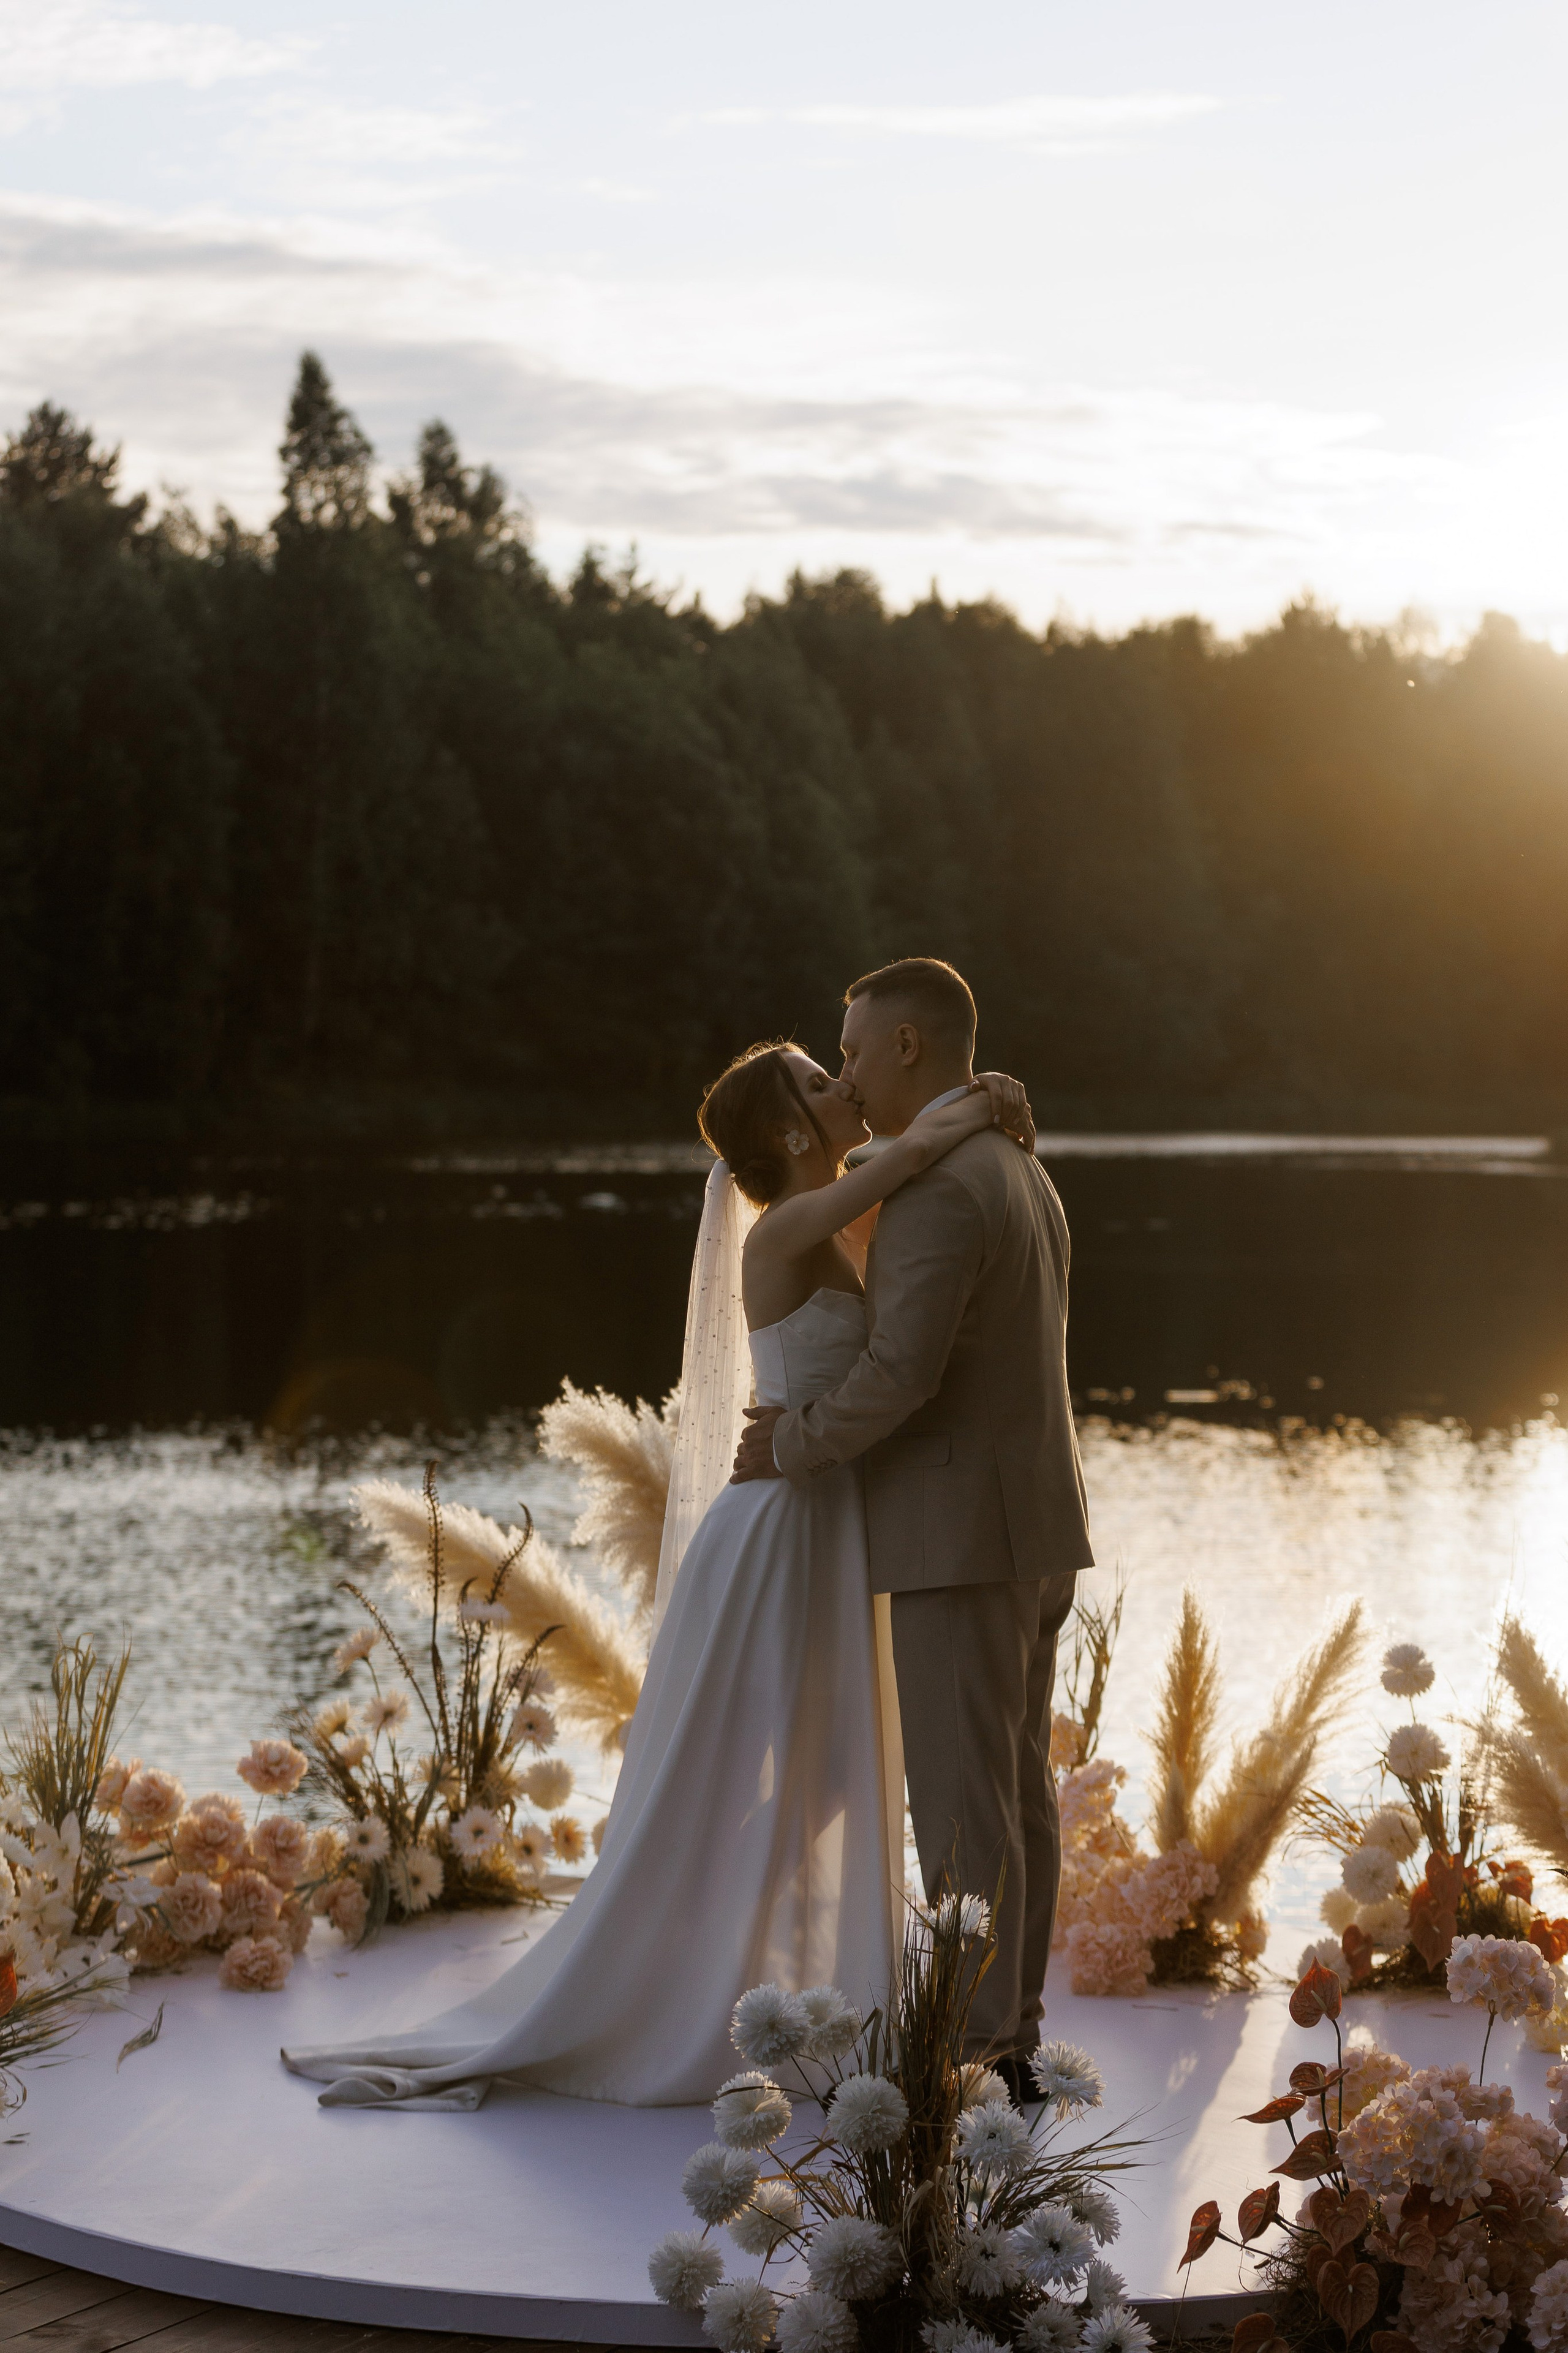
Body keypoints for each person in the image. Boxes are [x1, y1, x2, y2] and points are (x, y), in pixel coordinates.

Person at [281, 1038, 1031, 2110]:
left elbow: (903, 1218)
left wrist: (969, 1108)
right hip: (779, 1532)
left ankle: (740, 1949)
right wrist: (980, 1097)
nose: (847, 1089)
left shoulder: (837, 1213)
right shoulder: (783, 1229)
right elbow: (908, 1160)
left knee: (828, 1764)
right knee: (753, 1763)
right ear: (787, 1132)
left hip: (828, 1525)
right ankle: (673, 1954)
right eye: (825, 1085)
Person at [732, 957, 1094, 2104]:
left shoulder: (944, 1185)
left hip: (958, 1534)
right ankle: (1014, 2033)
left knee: (960, 1804)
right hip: (1032, 1522)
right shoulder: (1017, 1162)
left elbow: (901, 1373)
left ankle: (979, 2058)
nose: (842, 1070)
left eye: (850, 1049)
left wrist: (791, 1443)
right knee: (1016, 1793)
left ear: (905, 1047)